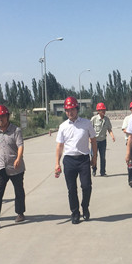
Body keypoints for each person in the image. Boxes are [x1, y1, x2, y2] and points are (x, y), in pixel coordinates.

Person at [55, 96, 97, 224]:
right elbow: (60, 146)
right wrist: (57, 163)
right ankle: (75, 212)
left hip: (83, 159)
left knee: (86, 186)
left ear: (77, 109)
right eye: (67, 110)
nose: (70, 112)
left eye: (72, 109)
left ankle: (85, 206)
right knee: (71, 189)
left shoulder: (86, 123)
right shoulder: (63, 126)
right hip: (69, 160)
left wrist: (94, 157)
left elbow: (93, 141)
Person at [0, 105, 26, 228]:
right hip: (0, 166)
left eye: (2, 116)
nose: (0, 119)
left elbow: (20, 145)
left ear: (7, 117)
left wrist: (18, 158)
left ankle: (20, 212)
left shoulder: (16, 130)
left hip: (15, 166)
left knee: (18, 190)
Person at [91, 102, 115, 176]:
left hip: (103, 141)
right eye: (102, 110)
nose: (103, 111)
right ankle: (94, 169)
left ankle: (102, 172)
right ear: (98, 111)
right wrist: (89, 138)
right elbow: (89, 130)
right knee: (94, 156)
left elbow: (109, 129)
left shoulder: (107, 119)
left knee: (103, 157)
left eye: (104, 110)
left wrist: (112, 136)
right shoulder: (94, 119)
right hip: (95, 141)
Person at [121, 100, 132, 187]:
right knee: (130, 162)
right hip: (130, 143)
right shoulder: (127, 118)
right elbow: (124, 129)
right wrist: (131, 133)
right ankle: (131, 179)